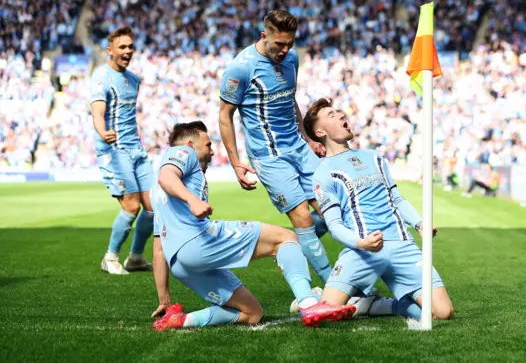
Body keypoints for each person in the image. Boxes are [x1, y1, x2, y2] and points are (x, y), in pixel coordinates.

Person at [218, 10, 370, 307]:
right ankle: (334, 286)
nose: (285, 50)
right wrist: (236, 161)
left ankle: (300, 251)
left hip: (298, 148)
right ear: (264, 36)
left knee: (331, 208)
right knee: (301, 216)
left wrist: (308, 137)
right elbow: (225, 116)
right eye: (279, 44)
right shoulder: (240, 68)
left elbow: (291, 100)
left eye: (290, 43)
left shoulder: (291, 59)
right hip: (269, 156)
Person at [150, 121, 356, 330]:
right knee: (285, 238)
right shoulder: (182, 152)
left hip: (180, 264)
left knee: (252, 313)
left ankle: (182, 320)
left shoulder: (158, 197)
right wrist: (193, 201)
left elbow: (158, 250)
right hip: (198, 241)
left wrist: (164, 300)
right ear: (192, 144)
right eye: (208, 145)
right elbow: (166, 176)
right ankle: (309, 303)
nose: (212, 152)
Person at [302, 98, 454, 321]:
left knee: (443, 312)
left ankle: (386, 305)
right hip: (362, 252)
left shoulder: (374, 157)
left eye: (338, 111)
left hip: (402, 245)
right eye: (332, 115)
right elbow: (334, 226)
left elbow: (397, 199)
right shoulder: (323, 172)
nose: (341, 114)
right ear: (320, 131)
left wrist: (420, 224)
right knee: (324, 311)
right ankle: (316, 297)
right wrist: (361, 243)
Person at [90, 26, 154, 275]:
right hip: (114, 150)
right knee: (131, 206)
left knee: (152, 207)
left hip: (135, 149)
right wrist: (102, 130)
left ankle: (136, 257)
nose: (128, 51)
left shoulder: (133, 79)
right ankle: (110, 257)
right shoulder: (101, 77)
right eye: (122, 47)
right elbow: (97, 111)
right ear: (110, 50)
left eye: (130, 46)